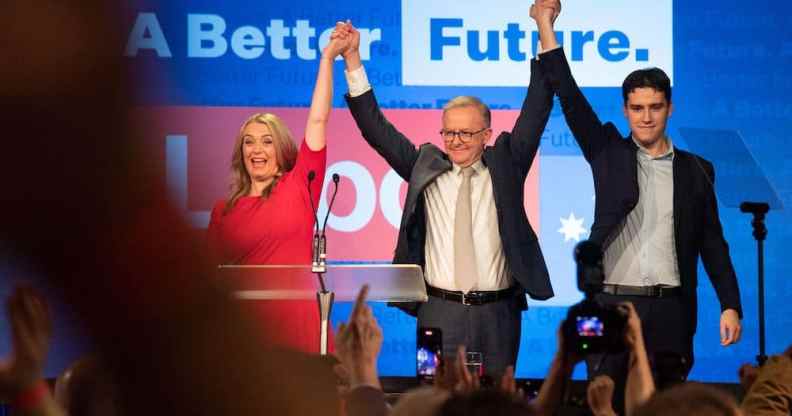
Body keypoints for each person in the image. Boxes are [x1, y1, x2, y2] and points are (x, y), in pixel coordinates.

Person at [531, 0, 743, 407]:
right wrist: (546, 26)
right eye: (637, 108)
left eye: (655, 107)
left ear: (670, 107)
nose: (646, 117)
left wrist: (730, 305)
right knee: (605, 405)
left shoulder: (698, 169)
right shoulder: (608, 151)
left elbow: (713, 244)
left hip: (671, 311)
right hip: (613, 303)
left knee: (665, 409)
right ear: (625, 110)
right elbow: (571, 98)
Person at [332, 11, 556, 377]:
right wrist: (353, 59)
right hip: (438, 312)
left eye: (466, 134)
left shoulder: (507, 165)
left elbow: (537, 106)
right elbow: (376, 129)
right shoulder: (424, 165)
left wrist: (545, 29)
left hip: (499, 315)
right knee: (433, 402)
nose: (456, 142)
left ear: (486, 134)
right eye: (449, 133)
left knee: (498, 404)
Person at [206, 33, 348, 353]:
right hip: (246, 337)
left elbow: (318, 117)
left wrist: (327, 60)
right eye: (249, 141)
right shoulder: (223, 211)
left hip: (299, 330)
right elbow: (209, 284)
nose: (257, 150)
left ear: (282, 148)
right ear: (240, 151)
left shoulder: (299, 186)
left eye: (267, 141)